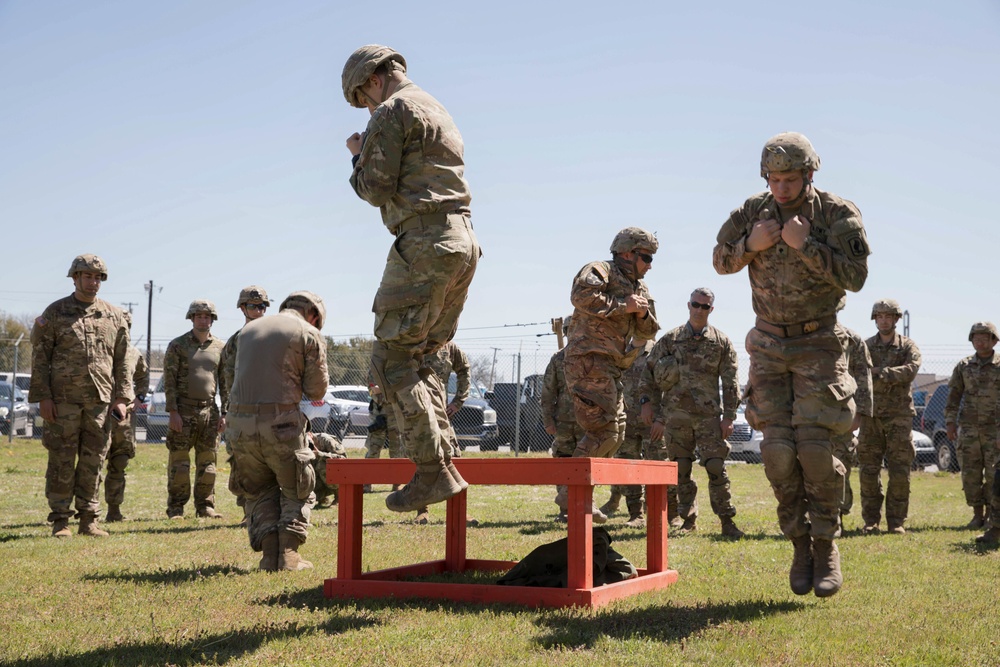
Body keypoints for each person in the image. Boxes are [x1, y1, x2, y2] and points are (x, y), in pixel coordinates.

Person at [713, 132, 869, 597]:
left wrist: (808, 247)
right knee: (778, 453)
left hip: (819, 342)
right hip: (767, 344)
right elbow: (720, 260)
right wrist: (749, 246)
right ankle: (799, 543)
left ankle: (825, 543)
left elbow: (856, 278)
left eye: (790, 179)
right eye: (774, 179)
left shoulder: (837, 213)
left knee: (817, 451)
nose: (781, 188)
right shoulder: (750, 212)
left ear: (809, 174)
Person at [343, 45, 480, 514]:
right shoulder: (434, 105)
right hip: (461, 240)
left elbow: (375, 187)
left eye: (362, 97)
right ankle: (443, 459)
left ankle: (433, 471)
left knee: (391, 359)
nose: (366, 107)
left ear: (373, 80)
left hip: (423, 241)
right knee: (424, 356)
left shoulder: (392, 110)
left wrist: (359, 156)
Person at [29, 254, 133, 537]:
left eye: (98, 277)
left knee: (94, 460)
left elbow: (123, 360)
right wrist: (43, 397)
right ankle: (61, 520)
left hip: (99, 402)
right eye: (87, 276)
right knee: (61, 459)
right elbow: (40, 357)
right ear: (74, 278)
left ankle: (89, 519)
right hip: (62, 402)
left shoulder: (114, 315)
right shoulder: (55, 312)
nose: (93, 281)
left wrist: (122, 397)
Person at [561, 227, 660, 523]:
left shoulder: (640, 289)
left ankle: (580, 496)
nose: (650, 264)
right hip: (588, 361)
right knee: (603, 430)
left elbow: (650, 330)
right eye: (646, 257)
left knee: (615, 431)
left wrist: (641, 315)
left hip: (613, 366)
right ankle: (573, 497)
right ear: (628, 253)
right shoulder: (600, 270)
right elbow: (580, 296)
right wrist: (623, 307)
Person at [227, 291, 329, 571]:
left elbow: (228, 374)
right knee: (297, 488)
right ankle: (288, 557)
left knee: (259, 491)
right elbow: (316, 389)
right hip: (280, 424)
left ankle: (268, 556)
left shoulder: (245, 332)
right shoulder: (308, 332)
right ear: (314, 315)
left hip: (239, 425)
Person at [639, 288, 744, 538]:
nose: (699, 310)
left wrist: (729, 416)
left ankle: (727, 521)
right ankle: (688, 518)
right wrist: (647, 403)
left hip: (708, 419)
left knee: (717, 468)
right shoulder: (671, 339)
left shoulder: (721, 342)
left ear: (711, 309)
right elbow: (648, 373)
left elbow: (731, 381)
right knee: (680, 470)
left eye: (705, 306)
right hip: (676, 418)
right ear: (688, 305)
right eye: (696, 304)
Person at [859, 299, 922, 535]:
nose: (883, 320)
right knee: (868, 470)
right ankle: (871, 521)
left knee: (899, 471)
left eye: (888, 316)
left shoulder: (907, 346)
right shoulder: (864, 347)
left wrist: (881, 373)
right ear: (874, 319)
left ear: (896, 319)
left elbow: (911, 370)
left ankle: (896, 522)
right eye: (879, 316)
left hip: (899, 417)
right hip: (871, 417)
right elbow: (856, 374)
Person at [162, 300, 226, 519]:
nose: (203, 319)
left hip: (209, 412)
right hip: (183, 411)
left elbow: (225, 382)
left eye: (207, 316)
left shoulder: (220, 347)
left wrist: (224, 413)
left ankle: (205, 506)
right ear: (191, 318)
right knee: (179, 465)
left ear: (212, 319)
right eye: (199, 316)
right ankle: (176, 508)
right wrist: (173, 412)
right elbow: (169, 382)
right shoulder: (178, 345)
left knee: (208, 464)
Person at [220, 285, 270, 526]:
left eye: (262, 306)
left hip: (272, 411)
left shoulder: (275, 337)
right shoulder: (236, 341)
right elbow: (228, 379)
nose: (259, 311)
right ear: (243, 309)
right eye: (253, 306)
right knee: (243, 463)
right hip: (243, 411)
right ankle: (249, 512)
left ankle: (271, 512)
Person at [945, 322, 1000, 537]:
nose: (980, 341)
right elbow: (953, 396)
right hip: (968, 430)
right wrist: (950, 422)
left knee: (994, 474)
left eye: (985, 337)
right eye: (976, 337)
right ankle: (977, 515)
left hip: (995, 431)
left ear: (994, 340)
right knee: (970, 474)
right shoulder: (963, 366)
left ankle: (992, 517)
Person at [601, 339, 659, 528]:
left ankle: (666, 513)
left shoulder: (658, 350)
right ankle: (636, 514)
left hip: (651, 420)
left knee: (658, 466)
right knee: (628, 467)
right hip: (626, 419)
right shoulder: (620, 351)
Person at [104, 312, 150, 522]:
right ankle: (87, 511)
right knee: (91, 464)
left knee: (119, 462)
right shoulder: (100, 350)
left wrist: (138, 397)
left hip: (123, 419)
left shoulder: (133, 353)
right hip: (97, 414)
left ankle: (114, 510)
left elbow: (143, 375)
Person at [541, 316, 585, 522]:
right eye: (568, 329)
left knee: (585, 465)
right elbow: (548, 392)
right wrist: (548, 420)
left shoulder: (591, 357)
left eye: (576, 328)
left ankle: (583, 506)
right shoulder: (557, 359)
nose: (572, 332)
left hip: (588, 423)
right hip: (564, 424)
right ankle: (565, 509)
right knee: (564, 464)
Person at [832, 324, 873, 523]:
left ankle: (837, 516)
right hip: (808, 412)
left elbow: (863, 378)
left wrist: (860, 414)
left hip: (841, 413)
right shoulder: (804, 334)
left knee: (841, 462)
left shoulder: (851, 339)